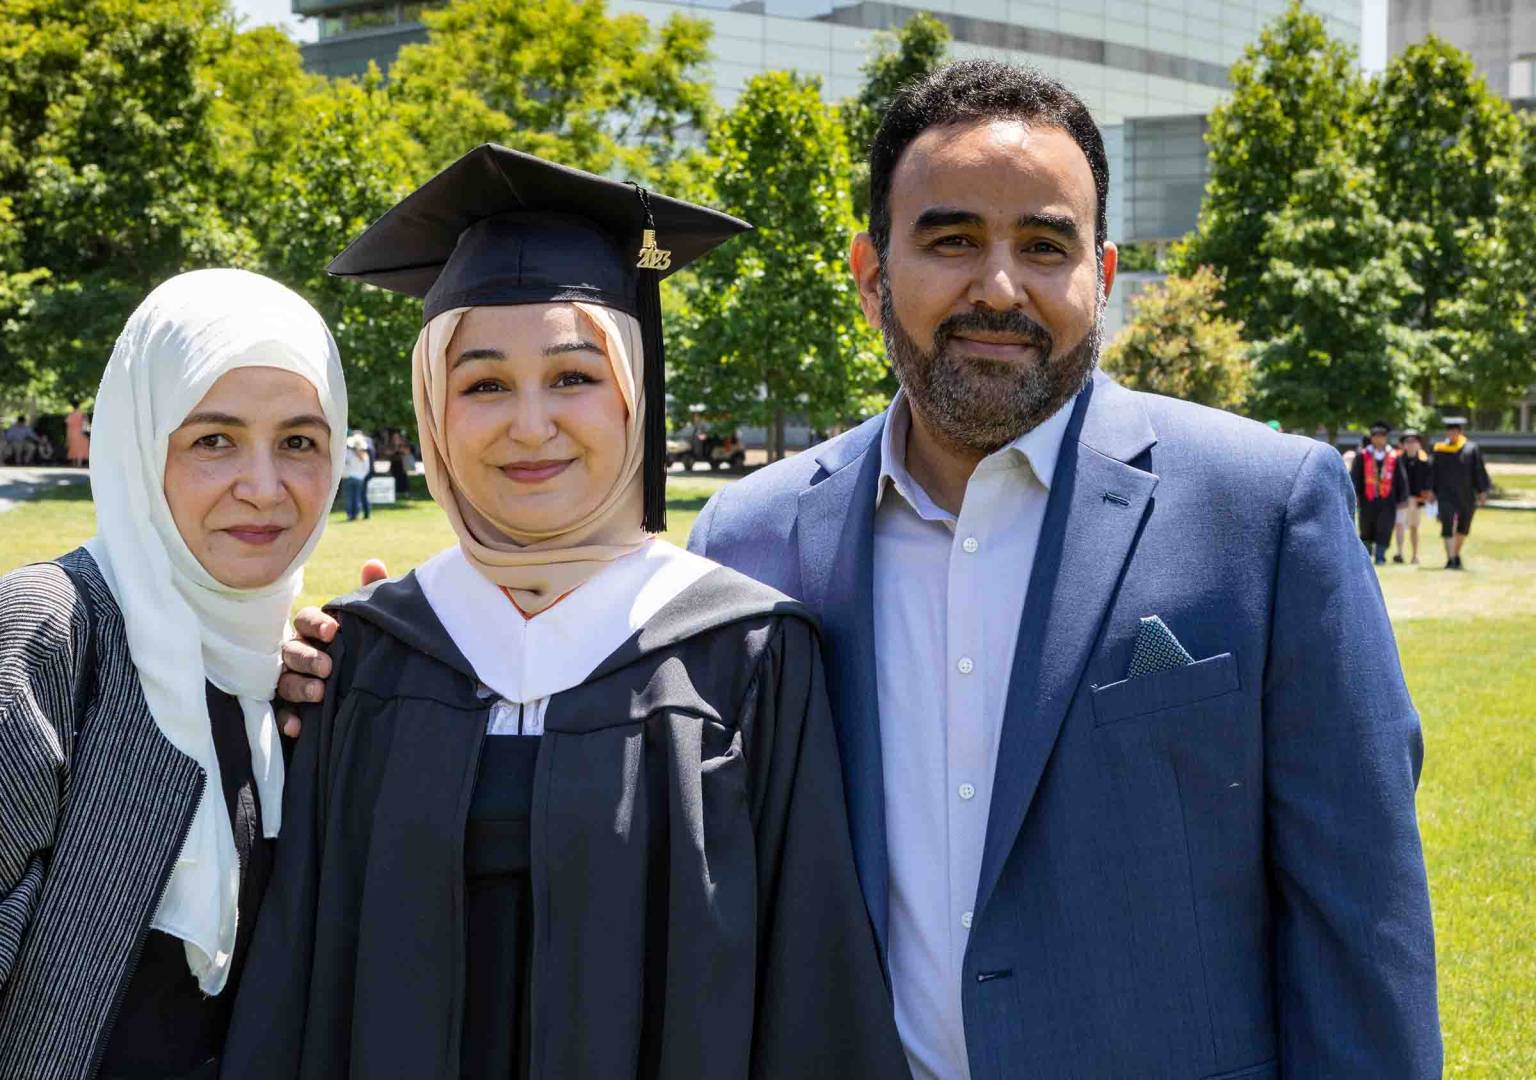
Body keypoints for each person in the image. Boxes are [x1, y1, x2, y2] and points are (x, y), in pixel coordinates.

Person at [281, 66, 1439, 1079]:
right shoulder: (758, 542)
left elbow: (1360, 914)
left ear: (1106, 272)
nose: (999, 286)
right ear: (868, 271)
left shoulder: (1260, 506)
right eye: (948, 240)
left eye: (1045, 245)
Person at [225, 145, 903, 1079]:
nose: (530, 425)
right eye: (484, 384)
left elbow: (810, 990)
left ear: (633, 397)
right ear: (433, 408)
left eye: (575, 377)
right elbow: (296, 983)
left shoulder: (745, 657)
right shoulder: (364, 658)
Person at [0, 269, 347, 1078]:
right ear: (139, 441)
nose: (263, 487)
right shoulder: (49, 632)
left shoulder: (281, 668)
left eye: (298, 441)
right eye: (213, 439)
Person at [1430, 415, 1490, 570]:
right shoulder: (1440, 450)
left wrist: (1482, 491)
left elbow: (1478, 470)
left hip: (1466, 494)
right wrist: (1430, 490)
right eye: (1449, 431)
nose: (1452, 434)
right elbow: (1433, 472)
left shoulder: (1471, 448)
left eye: (1455, 431)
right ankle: (1451, 559)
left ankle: (1455, 555)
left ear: (1461, 432)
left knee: (1463, 527)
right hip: (1445, 494)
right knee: (1447, 525)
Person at [1354, 420, 1409, 564]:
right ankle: (1365, 557)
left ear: (1386, 438)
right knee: (1366, 526)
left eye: (1382, 436)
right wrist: (1355, 495)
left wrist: (1402, 498)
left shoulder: (1394, 456)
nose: (1379, 439)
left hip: (1387, 498)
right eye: (1376, 436)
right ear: (1371, 438)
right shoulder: (1363, 455)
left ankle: (1380, 556)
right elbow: (1356, 477)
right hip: (1368, 498)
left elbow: (1400, 478)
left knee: (1384, 527)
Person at [1394, 429, 1433, 565]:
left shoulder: (1424, 460)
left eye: (1414, 441)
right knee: (1399, 526)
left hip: (1416, 500)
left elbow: (1428, 481)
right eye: (1407, 441)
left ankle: (1415, 555)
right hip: (1401, 500)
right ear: (1403, 444)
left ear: (1419, 444)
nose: (1411, 444)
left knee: (1414, 527)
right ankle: (1399, 553)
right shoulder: (1397, 459)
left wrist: (1423, 495)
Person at [340, 430, 371, 521]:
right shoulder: (365, 455)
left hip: (349, 477)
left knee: (349, 497)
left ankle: (350, 515)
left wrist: (344, 474)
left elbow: (343, 465)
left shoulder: (348, 454)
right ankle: (356, 514)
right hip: (359, 478)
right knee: (357, 497)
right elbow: (367, 469)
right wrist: (362, 476)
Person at [68, 401, 92, 467]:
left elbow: (68, 424)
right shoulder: (82, 414)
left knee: (74, 447)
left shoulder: (71, 414)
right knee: (81, 447)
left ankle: (74, 463)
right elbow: (87, 423)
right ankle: (79, 463)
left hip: (72, 433)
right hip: (81, 432)